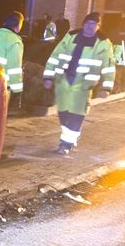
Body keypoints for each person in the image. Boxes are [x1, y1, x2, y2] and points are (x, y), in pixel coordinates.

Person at [42, 12, 115, 155]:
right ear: (83, 24)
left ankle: (66, 143)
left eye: (93, 24)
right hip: (64, 80)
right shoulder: (71, 37)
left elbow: (109, 66)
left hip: (84, 84)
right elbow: (55, 56)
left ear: (98, 26)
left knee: (76, 114)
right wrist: (48, 77)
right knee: (63, 112)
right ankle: (70, 138)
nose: (89, 27)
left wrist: (106, 87)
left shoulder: (103, 43)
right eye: (87, 23)